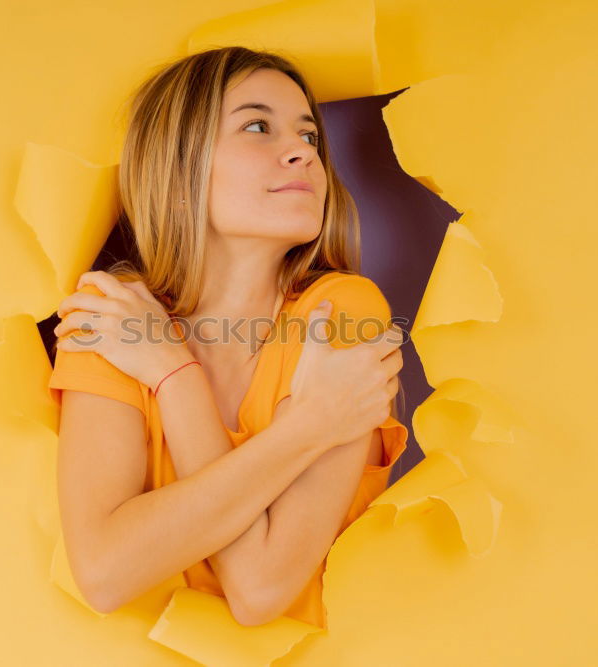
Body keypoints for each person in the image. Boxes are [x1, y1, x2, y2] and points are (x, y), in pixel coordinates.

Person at [48, 46, 408, 628]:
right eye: (258, 126)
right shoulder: (111, 321)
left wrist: (170, 374)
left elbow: (262, 590)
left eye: (310, 136)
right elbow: (106, 573)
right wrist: (313, 424)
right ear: (179, 166)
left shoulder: (342, 312)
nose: (303, 153)